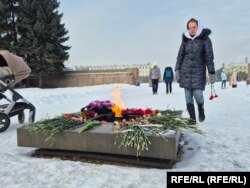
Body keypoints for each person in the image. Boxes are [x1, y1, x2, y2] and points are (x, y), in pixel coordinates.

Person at [175, 18, 217, 123]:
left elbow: (209, 57)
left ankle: (201, 109)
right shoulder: (185, 40)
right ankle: (192, 118)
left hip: (199, 71)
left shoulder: (205, 39)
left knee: (198, 95)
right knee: (188, 96)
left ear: (198, 27)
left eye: (194, 27)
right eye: (190, 28)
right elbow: (180, 56)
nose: (192, 30)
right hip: (185, 71)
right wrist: (177, 70)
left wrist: (211, 72)